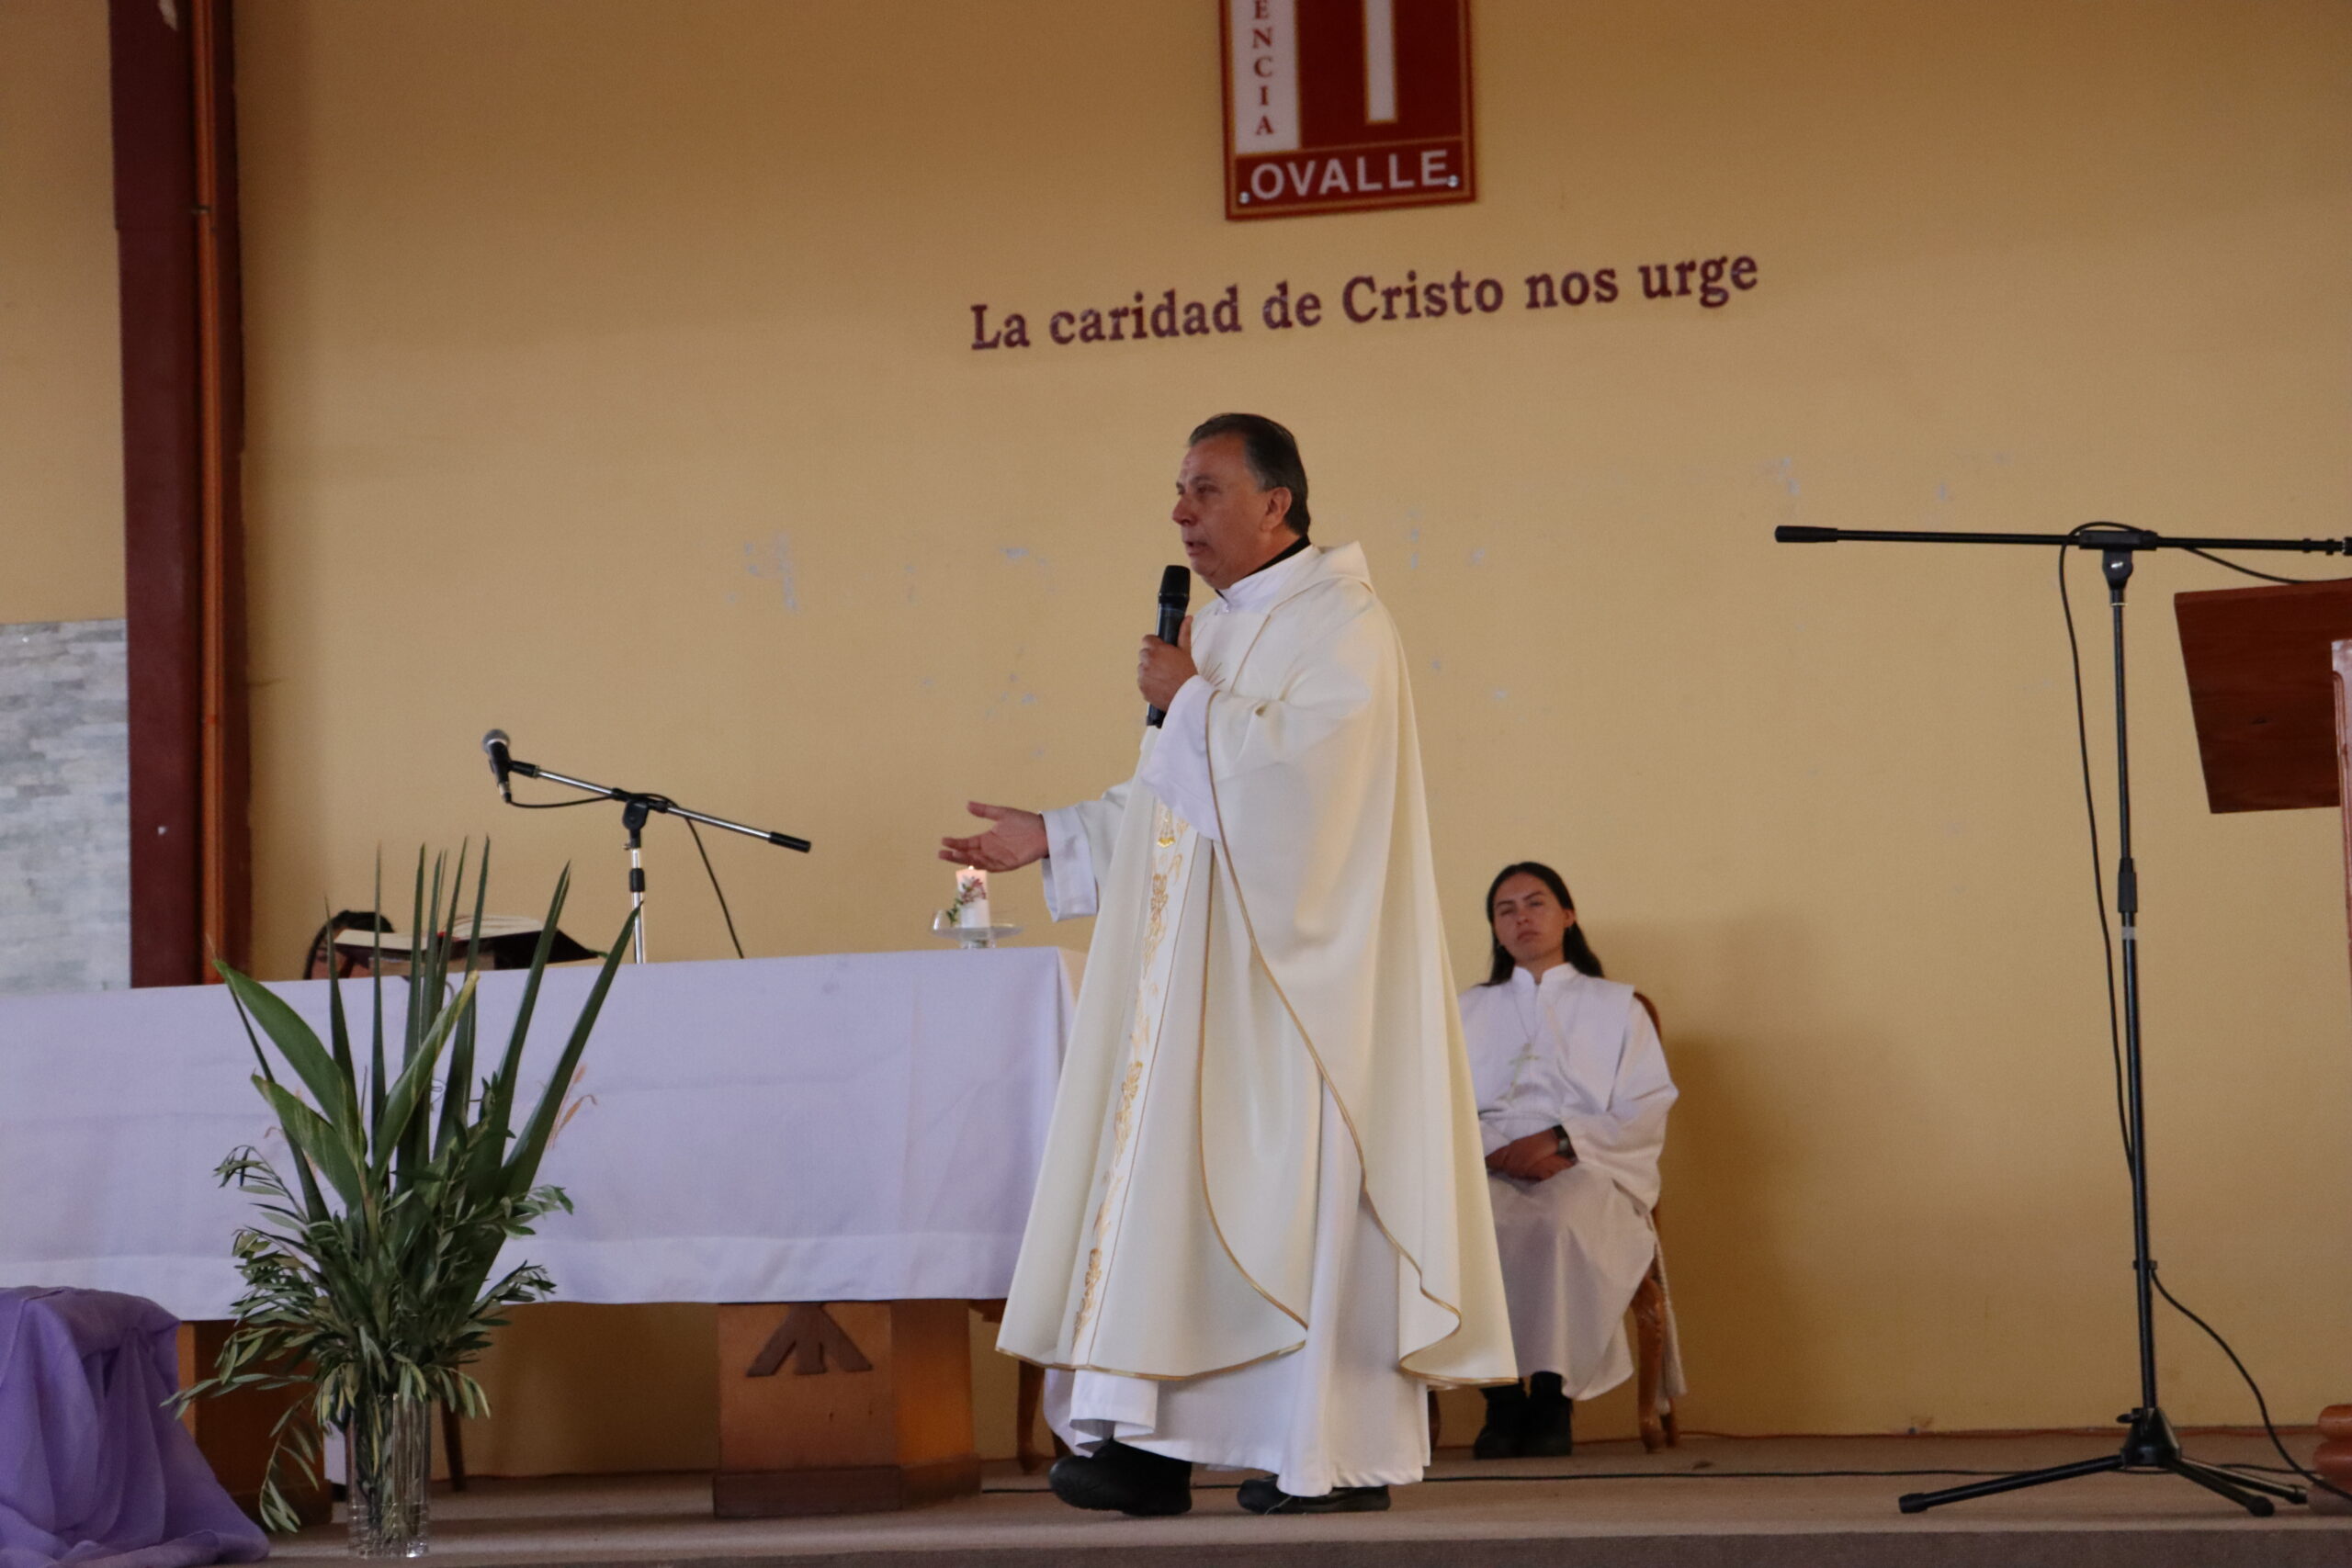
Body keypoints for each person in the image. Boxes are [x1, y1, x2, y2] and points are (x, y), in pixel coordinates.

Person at [941, 414, 1512, 1517]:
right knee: (1170, 1204)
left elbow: (1313, 788)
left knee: (1291, 1209)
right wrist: (1055, 833)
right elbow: (1178, 808)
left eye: (1204, 490)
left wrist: (1190, 699)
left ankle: (1326, 1456)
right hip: (1193, 995)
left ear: (1276, 504)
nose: (1180, 514)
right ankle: (1152, 1445)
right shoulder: (1226, 631)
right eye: (1178, 490)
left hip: (1298, 998)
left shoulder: (1343, 620)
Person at [1457, 862, 1678, 1459]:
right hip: (1485, 1162)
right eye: (1506, 909)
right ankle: (1502, 1399)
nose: (1522, 917)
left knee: (1561, 1220)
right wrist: (1497, 1150)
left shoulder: (1617, 1006)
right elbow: (1434, 1101)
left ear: (1568, 915)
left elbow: (1644, 1104)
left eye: (1536, 903)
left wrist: (1559, 1140)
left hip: (1586, 1163)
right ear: (1495, 928)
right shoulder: (1464, 1010)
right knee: (1462, 1223)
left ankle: (1553, 1398)